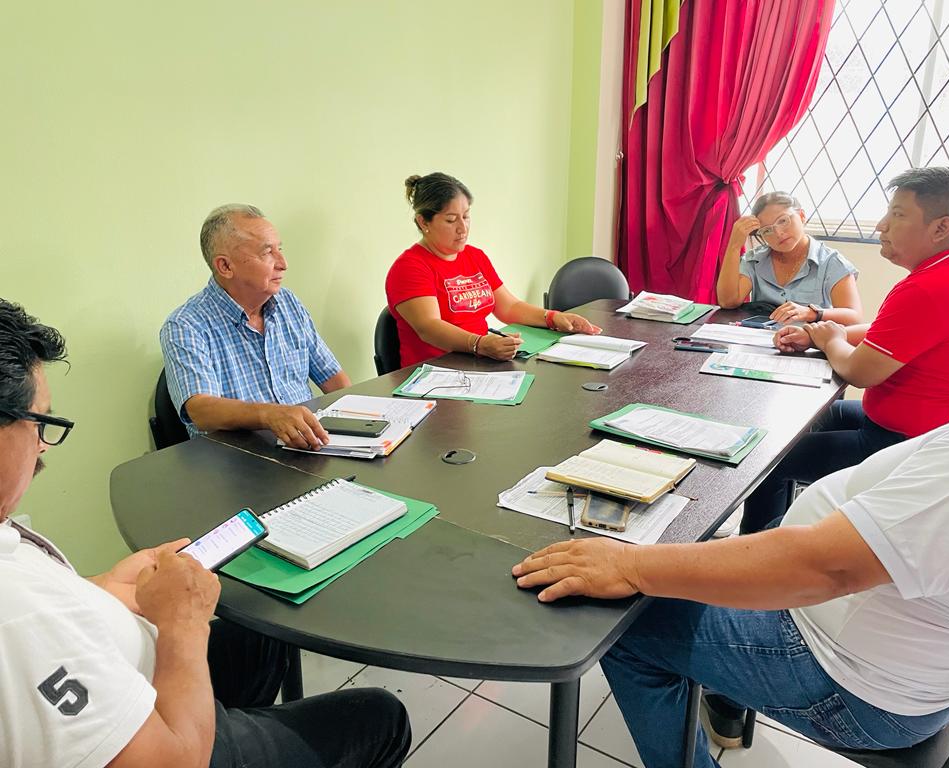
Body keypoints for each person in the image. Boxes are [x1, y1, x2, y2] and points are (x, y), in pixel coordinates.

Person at [510, 219, 949, 768]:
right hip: (872, 640)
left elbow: (824, 569)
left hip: (846, 679)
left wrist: (629, 565)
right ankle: (719, 690)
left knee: (625, 625)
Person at [0, 299, 411, 768]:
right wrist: (183, 624)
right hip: (172, 736)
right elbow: (173, 762)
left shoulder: (288, 307)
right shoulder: (17, 619)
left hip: (126, 656)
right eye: (40, 423)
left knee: (264, 634)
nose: (43, 447)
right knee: (379, 716)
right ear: (226, 265)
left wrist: (105, 588)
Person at [743, 167, 949, 534]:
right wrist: (817, 333)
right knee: (802, 419)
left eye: (898, 214)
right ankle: (781, 527)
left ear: (941, 228)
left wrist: (830, 340)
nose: (881, 226)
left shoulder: (926, 289)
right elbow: (888, 333)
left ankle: (760, 549)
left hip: (903, 443)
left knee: (766, 461)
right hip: (915, 425)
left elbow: (859, 372)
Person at [161, 205, 351, 451]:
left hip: (306, 447)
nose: (283, 263)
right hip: (238, 460)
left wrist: (364, 423)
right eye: (267, 252)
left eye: (280, 249)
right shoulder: (185, 325)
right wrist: (268, 415)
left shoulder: (288, 303)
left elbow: (332, 377)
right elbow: (201, 410)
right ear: (225, 266)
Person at [385, 172, 601, 368]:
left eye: (466, 216)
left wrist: (553, 318)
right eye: (451, 220)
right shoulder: (410, 267)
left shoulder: (474, 256)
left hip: (478, 364)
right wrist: (480, 344)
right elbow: (429, 328)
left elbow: (509, 307)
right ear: (424, 222)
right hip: (435, 373)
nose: (463, 228)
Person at [716, 192, 862, 325]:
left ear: (802, 216)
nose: (778, 233)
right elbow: (728, 302)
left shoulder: (831, 262)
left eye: (783, 221)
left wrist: (811, 313)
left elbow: (854, 317)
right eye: (767, 230)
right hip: (761, 341)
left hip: (810, 342)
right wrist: (734, 246)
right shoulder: (755, 260)